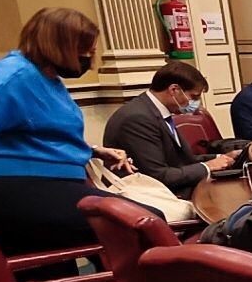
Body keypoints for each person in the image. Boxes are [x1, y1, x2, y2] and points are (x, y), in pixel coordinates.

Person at [0, 7, 136, 255]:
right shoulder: (10, 75)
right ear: (60, 45)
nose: (90, 60)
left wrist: (94, 151)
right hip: (14, 188)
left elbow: (43, 132)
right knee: (142, 223)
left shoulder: (47, 78)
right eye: (86, 51)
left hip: (45, 185)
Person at [102, 60, 237, 199]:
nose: (197, 104)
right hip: (152, 196)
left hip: (169, 189)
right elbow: (157, 176)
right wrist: (207, 167)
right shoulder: (138, 118)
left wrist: (222, 158)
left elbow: (180, 161)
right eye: (194, 97)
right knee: (233, 197)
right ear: (174, 90)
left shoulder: (155, 111)